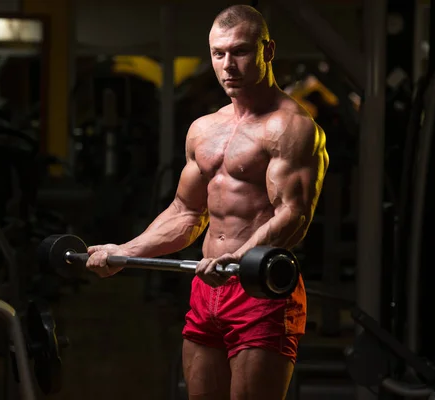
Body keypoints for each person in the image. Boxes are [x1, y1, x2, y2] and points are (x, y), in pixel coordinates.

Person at [86, 4, 329, 399]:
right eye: (218, 54)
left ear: (268, 52)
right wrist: (124, 252)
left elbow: (294, 215)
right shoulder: (204, 130)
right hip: (205, 285)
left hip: (259, 289)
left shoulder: (290, 127)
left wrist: (238, 259)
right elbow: (186, 213)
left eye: (240, 51)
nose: (228, 65)